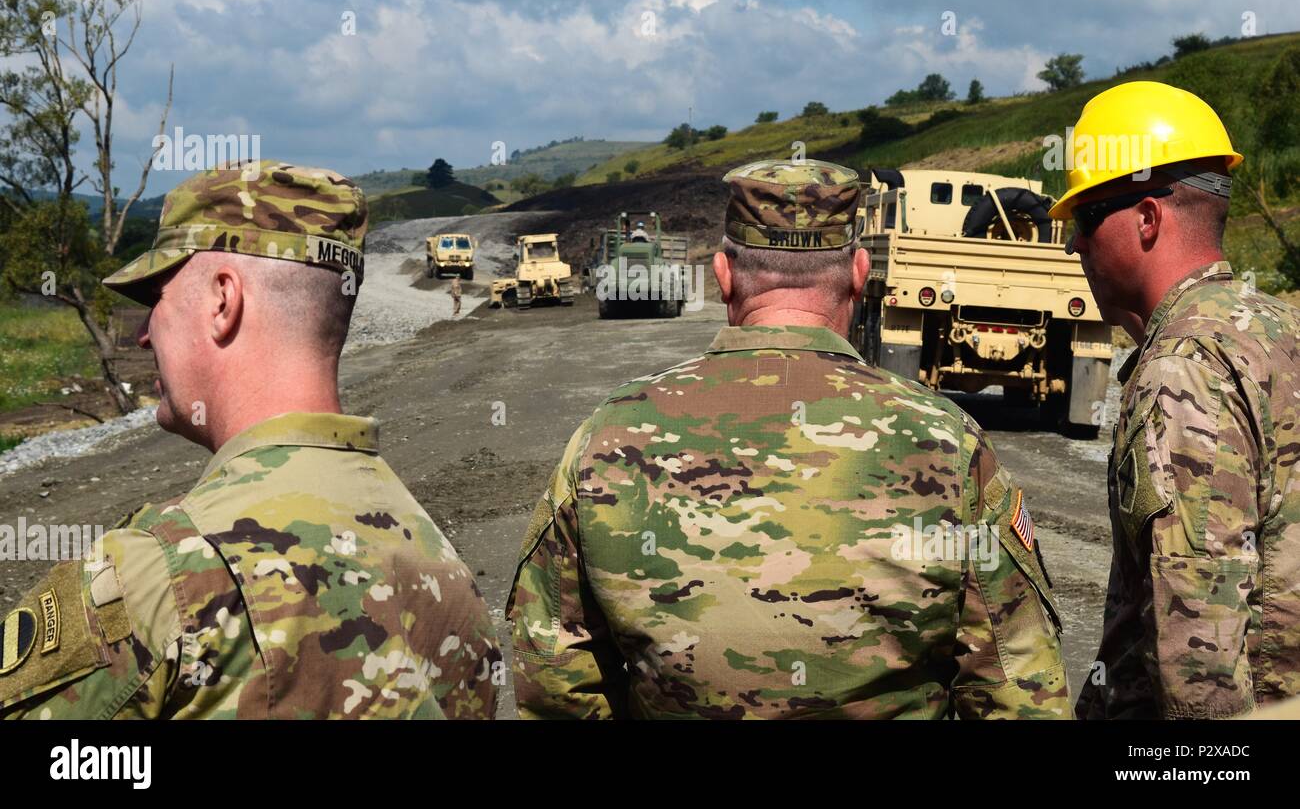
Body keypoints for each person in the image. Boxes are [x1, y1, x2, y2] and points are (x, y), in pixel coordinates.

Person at [507, 159, 1070, 719]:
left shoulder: (605, 436)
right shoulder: (949, 443)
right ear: (858, 272)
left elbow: (557, 679)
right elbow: (1018, 685)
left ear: (724, 274)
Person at [0, 159, 500, 719]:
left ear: (222, 300)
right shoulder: (447, 574)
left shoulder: (160, 573)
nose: (143, 335)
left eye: (157, 299)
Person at [1054, 81, 1300, 719]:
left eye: (1084, 219)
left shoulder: (1182, 369)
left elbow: (1199, 654)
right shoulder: (1281, 330)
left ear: (1147, 219)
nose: (1073, 244)